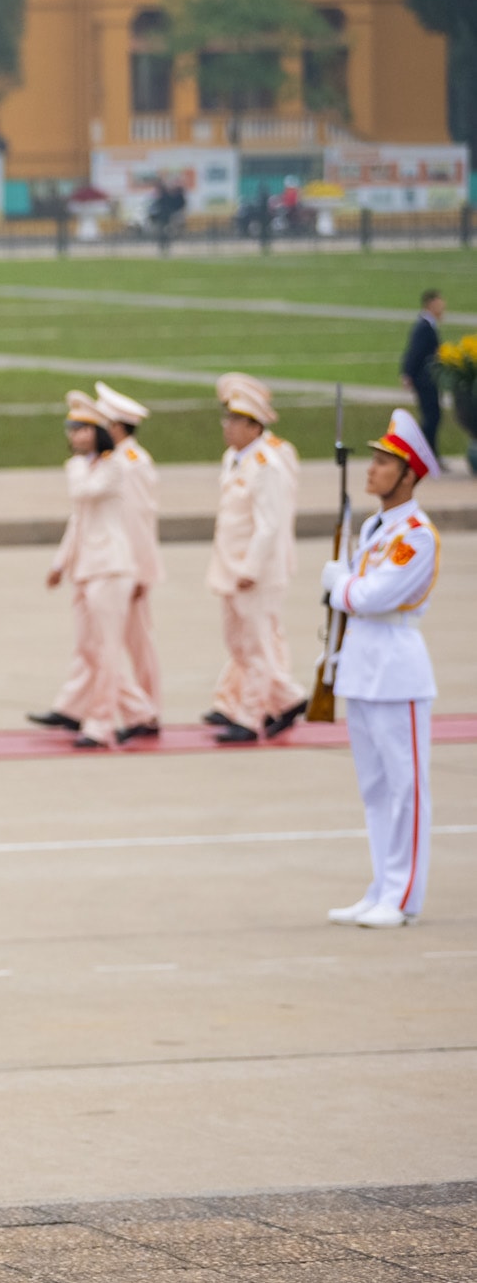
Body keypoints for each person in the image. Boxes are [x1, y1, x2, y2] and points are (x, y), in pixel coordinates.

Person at [322, 410, 440, 929]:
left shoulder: (417, 535)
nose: (371, 470)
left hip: (396, 669)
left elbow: (374, 596)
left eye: (383, 463)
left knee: (405, 788)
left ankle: (403, 894)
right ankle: (380, 887)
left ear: (408, 475)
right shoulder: (376, 526)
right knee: (375, 789)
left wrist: (339, 585)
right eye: (372, 460)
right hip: (362, 665)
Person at [30, 393, 153, 749]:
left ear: (99, 433)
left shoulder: (114, 466)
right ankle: (140, 712)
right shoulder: (86, 466)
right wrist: (59, 564)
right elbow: (78, 521)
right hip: (86, 567)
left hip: (111, 567)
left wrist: (76, 465)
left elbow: (84, 491)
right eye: (72, 428)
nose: (76, 435)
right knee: (89, 649)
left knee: (106, 649)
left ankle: (99, 725)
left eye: (83, 429)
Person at [206, 374, 308, 743]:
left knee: (256, 645)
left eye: (235, 420)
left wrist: (251, 568)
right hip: (230, 568)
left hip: (256, 572)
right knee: (239, 644)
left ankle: (249, 718)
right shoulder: (236, 459)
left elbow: (270, 525)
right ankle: (289, 698)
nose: (227, 426)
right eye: (227, 419)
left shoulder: (267, 464)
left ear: (254, 426)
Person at [95, 383, 164, 739]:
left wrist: (140, 572)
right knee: (121, 642)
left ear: (116, 428)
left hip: (130, 567)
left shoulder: (131, 464)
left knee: (138, 644)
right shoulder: (119, 460)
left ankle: (148, 712)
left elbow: (138, 521)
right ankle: (144, 710)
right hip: (120, 564)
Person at [401, 289, 445, 469]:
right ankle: (425, 455)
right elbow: (415, 352)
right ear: (431, 304)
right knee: (431, 417)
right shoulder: (424, 326)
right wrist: (407, 374)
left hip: (428, 379)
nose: (443, 306)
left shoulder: (428, 324)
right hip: (425, 380)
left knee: (433, 416)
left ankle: (428, 455)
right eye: (440, 302)